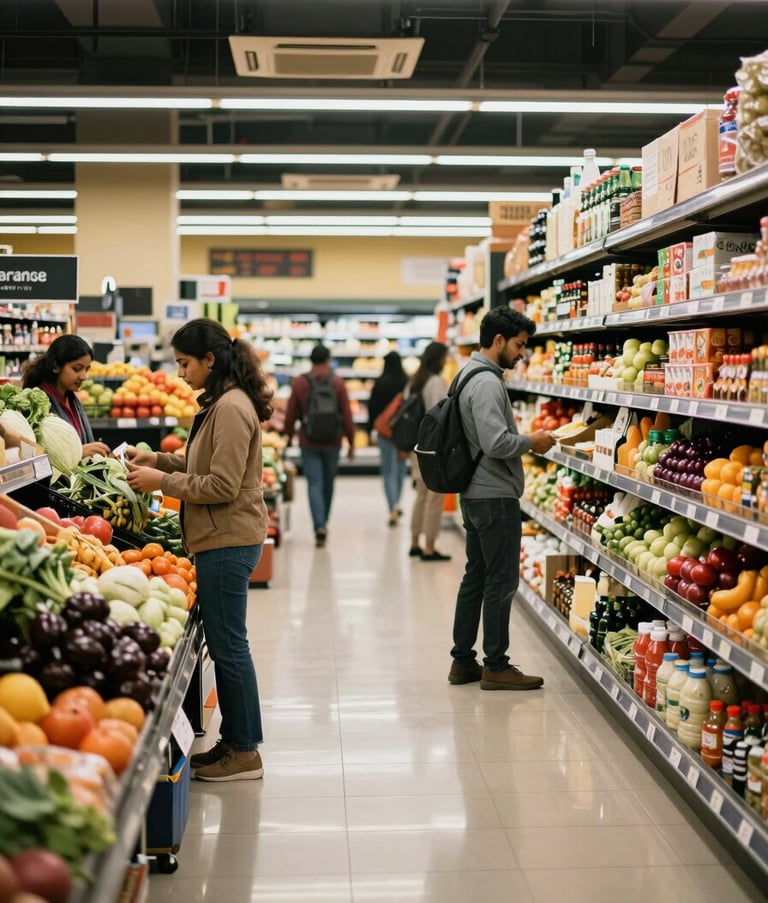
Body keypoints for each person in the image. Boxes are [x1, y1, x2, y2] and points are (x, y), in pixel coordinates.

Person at [125, 318, 272, 782]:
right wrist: (160, 460)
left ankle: (245, 751)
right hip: (219, 536)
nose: (181, 373)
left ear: (210, 360)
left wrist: (162, 482)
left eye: (185, 363)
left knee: (230, 648)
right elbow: (201, 462)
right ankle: (234, 743)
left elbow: (223, 484)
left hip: (228, 538)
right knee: (228, 644)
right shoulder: (220, 402)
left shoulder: (230, 407)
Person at [448, 308, 556, 691]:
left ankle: (463, 661)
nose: (522, 354)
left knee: (475, 577)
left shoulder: (465, 374)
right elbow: (496, 443)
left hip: (473, 493)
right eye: (519, 345)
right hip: (494, 496)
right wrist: (533, 441)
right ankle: (496, 664)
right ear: (498, 341)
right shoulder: (489, 383)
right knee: (501, 581)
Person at [283, 343, 355, 547]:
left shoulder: (300, 382)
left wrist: (288, 436)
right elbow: (347, 415)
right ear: (328, 359)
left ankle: (319, 525)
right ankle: (324, 522)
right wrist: (351, 441)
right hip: (333, 441)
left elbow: (291, 414)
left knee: (314, 483)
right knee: (328, 483)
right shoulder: (338, 382)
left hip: (309, 440)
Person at [21, 334, 112, 458]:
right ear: (56, 366)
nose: (84, 376)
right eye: (77, 368)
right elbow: (30, 454)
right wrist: (77, 454)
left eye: (86, 369)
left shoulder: (72, 399)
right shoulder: (37, 404)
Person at [407, 340, 450, 561]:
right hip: (432, 449)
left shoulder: (415, 381)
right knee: (434, 497)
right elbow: (441, 416)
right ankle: (429, 547)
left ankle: (414, 542)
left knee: (421, 495)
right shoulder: (435, 382)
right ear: (439, 359)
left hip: (416, 447)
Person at [368, 350, 409, 526]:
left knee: (388, 472)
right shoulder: (406, 382)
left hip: (384, 433)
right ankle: (397, 502)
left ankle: (392, 507)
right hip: (402, 433)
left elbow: (372, 408)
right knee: (400, 470)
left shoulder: (380, 382)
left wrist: (372, 428)